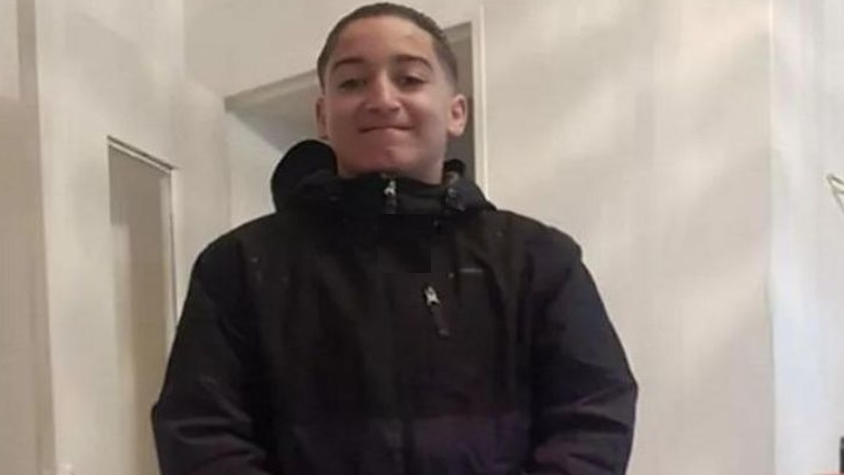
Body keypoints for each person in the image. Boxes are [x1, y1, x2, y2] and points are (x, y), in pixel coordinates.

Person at [152, 3, 638, 474]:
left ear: (456, 112)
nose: (382, 99)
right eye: (352, 82)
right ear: (323, 116)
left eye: (410, 79)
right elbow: (200, 431)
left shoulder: (538, 259)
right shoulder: (238, 265)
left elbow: (592, 417)